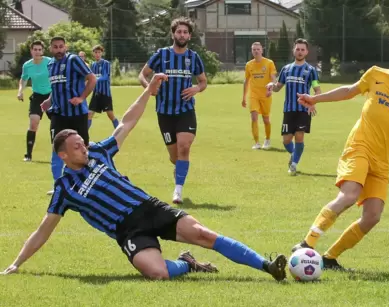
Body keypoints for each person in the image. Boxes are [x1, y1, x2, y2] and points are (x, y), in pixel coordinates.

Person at [1, 74, 287, 282]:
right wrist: (17, 263)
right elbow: (43, 230)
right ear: (63, 155)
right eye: (77, 146)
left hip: (149, 207)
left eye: (83, 142)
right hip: (128, 231)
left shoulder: (99, 152)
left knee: (204, 234)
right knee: (157, 273)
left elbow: (126, 122)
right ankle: (187, 264)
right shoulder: (64, 188)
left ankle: (266, 265)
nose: (84, 147)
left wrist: (149, 91)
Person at [291, 35, 389, 271]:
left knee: (373, 216)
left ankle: (330, 258)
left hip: (382, 158)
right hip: (359, 146)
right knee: (349, 195)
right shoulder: (376, 73)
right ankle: (306, 243)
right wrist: (315, 98)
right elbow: (349, 91)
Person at [138, 17, 207, 204]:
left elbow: (203, 81)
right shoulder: (161, 55)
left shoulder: (193, 58)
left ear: (189, 36)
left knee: (184, 148)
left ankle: (177, 191)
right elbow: (142, 75)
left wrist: (196, 89)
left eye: (185, 32)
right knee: (175, 156)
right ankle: (179, 173)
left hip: (185, 110)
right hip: (164, 112)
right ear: (173, 34)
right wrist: (149, 87)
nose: (182, 35)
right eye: (179, 32)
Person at [40, 36, 96, 195]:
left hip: (77, 114)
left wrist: (82, 98)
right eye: (55, 47)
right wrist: (49, 101)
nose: (58, 50)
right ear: (51, 49)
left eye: (61, 46)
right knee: (57, 149)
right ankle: (59, 186)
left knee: (82, 150)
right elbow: (57, 87)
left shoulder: (74, 60)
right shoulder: (50, 64)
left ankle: (86, 184)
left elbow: (92, 79)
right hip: (58, 114)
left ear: (66, 47)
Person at [266, 38, 321, 175]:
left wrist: (312, 103)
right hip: (288, 109)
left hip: (303, 109)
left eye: (303, 49)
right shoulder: (286, 69)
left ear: (307, 52)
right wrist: (271, 86)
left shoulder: (311, 70)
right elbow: (278, 87)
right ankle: (294, 154)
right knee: (286, 140)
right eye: (298, 49)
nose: (300, 52)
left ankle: (294, 165)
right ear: (293, 50)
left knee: (299, 137)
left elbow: (317, 90)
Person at [17, 40, 51, 162]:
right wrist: (20, 91)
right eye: (35, 49)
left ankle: (60, 153)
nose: (37, 52)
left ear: (43, 51)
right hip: (37, 96)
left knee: (58, 125)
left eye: (39, 49)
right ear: (31, 51)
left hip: (51, 96)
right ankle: (28, 155)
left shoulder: (49, 62)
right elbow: (24, 79)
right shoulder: (27, 65)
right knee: (33, 123)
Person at [242, 42, 277, 150]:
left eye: (258, 49)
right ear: (252, 51)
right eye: (254, 49)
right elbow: (246, 81)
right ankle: (256, 142)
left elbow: (273, 78)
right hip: (254, 95)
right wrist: (243, 97)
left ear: (262, 50)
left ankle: (267, 140)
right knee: (254, 117)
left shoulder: (269, 63)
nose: (256, 51)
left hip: (265, 95)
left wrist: (271, 89)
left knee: (266, 119)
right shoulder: (249, 65)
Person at [88, 45, 119, 130]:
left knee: (110, 115)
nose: (97, 54)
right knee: (89, 114)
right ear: (93, 54)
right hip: (96, 93)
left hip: (105, 93)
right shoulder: (93, 65)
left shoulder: (106, 63)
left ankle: (119, 130)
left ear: (102, 53)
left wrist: (94, 79)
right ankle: (84, 134)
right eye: (96, 52)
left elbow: (105, 77)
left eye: (99, 52)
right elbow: (90, 78)